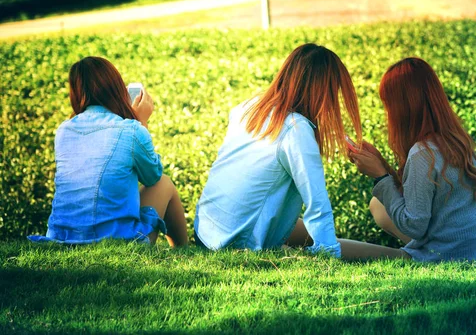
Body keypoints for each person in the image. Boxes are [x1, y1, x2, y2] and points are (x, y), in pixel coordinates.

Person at [194, 43, 407, 259]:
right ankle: (404, 257)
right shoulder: (295, 128)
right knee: (326, 240)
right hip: (235, 242)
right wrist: (328, 251)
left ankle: (401, 254)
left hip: (207, 231)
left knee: (306, 231)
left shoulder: (249, 107)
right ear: (323, 91)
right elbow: (317, 201)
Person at [349, 57, 476, 263]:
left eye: (388, 105)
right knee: (378, 203)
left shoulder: (423, 153)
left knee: (337, 248)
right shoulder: (453, 138)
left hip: (451, 258)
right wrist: (381, 164)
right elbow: (419, 195)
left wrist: (380, 176)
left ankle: (309, 246)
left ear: (402, 107)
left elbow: (414, 226)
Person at [28, 56, 188, 247]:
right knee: (164, 182)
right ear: (117, 88)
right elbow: (152, 177)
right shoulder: (131, 130)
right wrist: (142, 123)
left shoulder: (64, 130)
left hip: (63, 238)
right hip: (116, 241)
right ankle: (182, 250)